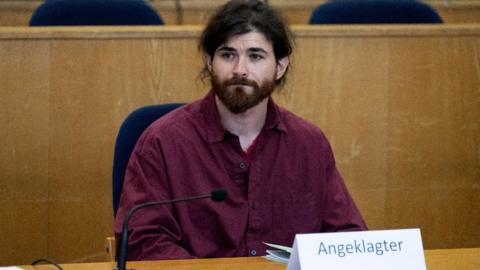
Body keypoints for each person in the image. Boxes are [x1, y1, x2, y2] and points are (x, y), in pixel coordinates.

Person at [114, 0, 367, 260]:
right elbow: (142, 241)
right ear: (210, 62)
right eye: (228, 55)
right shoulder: (162, 142)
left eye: (255, 56)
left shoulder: (309, 143)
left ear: (280, 66)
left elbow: (346, 236)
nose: (240, 70)